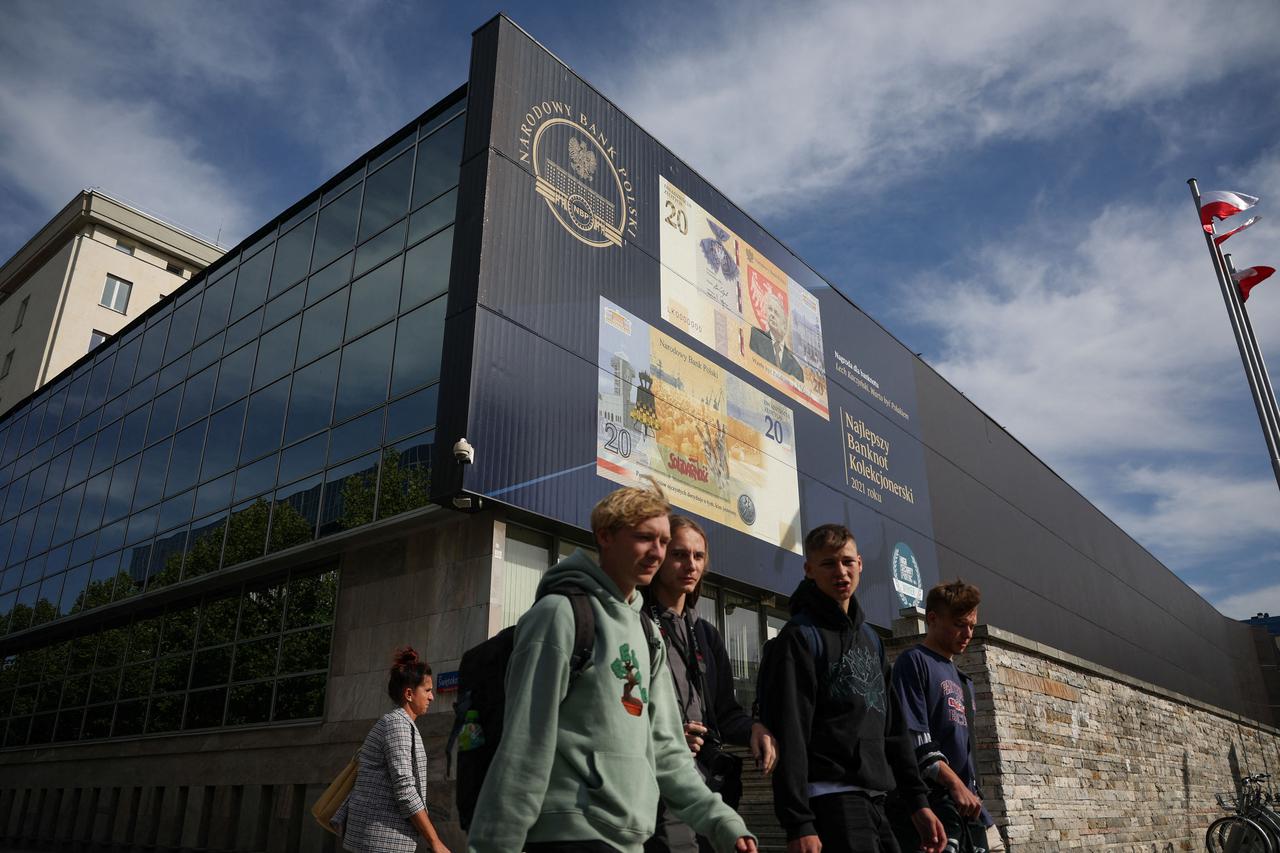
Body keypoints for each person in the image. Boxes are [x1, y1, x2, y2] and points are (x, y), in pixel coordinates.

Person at [467, 483, 757, 853]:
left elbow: (668, 753)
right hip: (568, 835)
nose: (657, 553)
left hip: (631, 839)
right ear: (605, 536)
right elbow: (525, 744)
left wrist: (723, 822)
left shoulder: (645, 631)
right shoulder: (559, 615)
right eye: (644, 538)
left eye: (664, 542)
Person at [763, 524, 945, 853]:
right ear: (809, 570)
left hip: (878, 800)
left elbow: (894, 730)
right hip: (830, 801)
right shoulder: (799, 638)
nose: (841, 572)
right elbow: (790, 732)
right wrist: (798, 822)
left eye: (848, 562)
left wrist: (918, 802)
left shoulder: (871, 640)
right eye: (828, 564)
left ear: (860, 564)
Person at [642, 515, 778, 853]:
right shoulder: (634, 623)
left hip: (707, 787)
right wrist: (667, 734)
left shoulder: (706, 634)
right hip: (654, 784)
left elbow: (725, 711)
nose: (690, 564)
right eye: (679, 554)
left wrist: (754, 729)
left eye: (698, 556)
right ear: (658, 558)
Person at [889, 581, 1003, 853]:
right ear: (933, 619)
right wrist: (954, 785)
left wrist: (974, 799)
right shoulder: (913, 662)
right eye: (960, 624)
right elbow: (915, 739)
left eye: (972, 626)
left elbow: (965, 754)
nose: (967, 634)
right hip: (932, 806)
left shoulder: (964, 682)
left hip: (969, 809)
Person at [334, 647, 450, 853]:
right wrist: (434, 841)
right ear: (409, 694)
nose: (432, 697)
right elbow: (405, 789)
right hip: (381, 839)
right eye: (427, 690)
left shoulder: (400, 723)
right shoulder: (397, 724)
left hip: (381, 838)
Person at [748, 291, 805, 382]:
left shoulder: (796, 369)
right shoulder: (756, 336)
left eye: (776, 313)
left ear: (785, 325)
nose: (772, 315)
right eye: (770, 309)